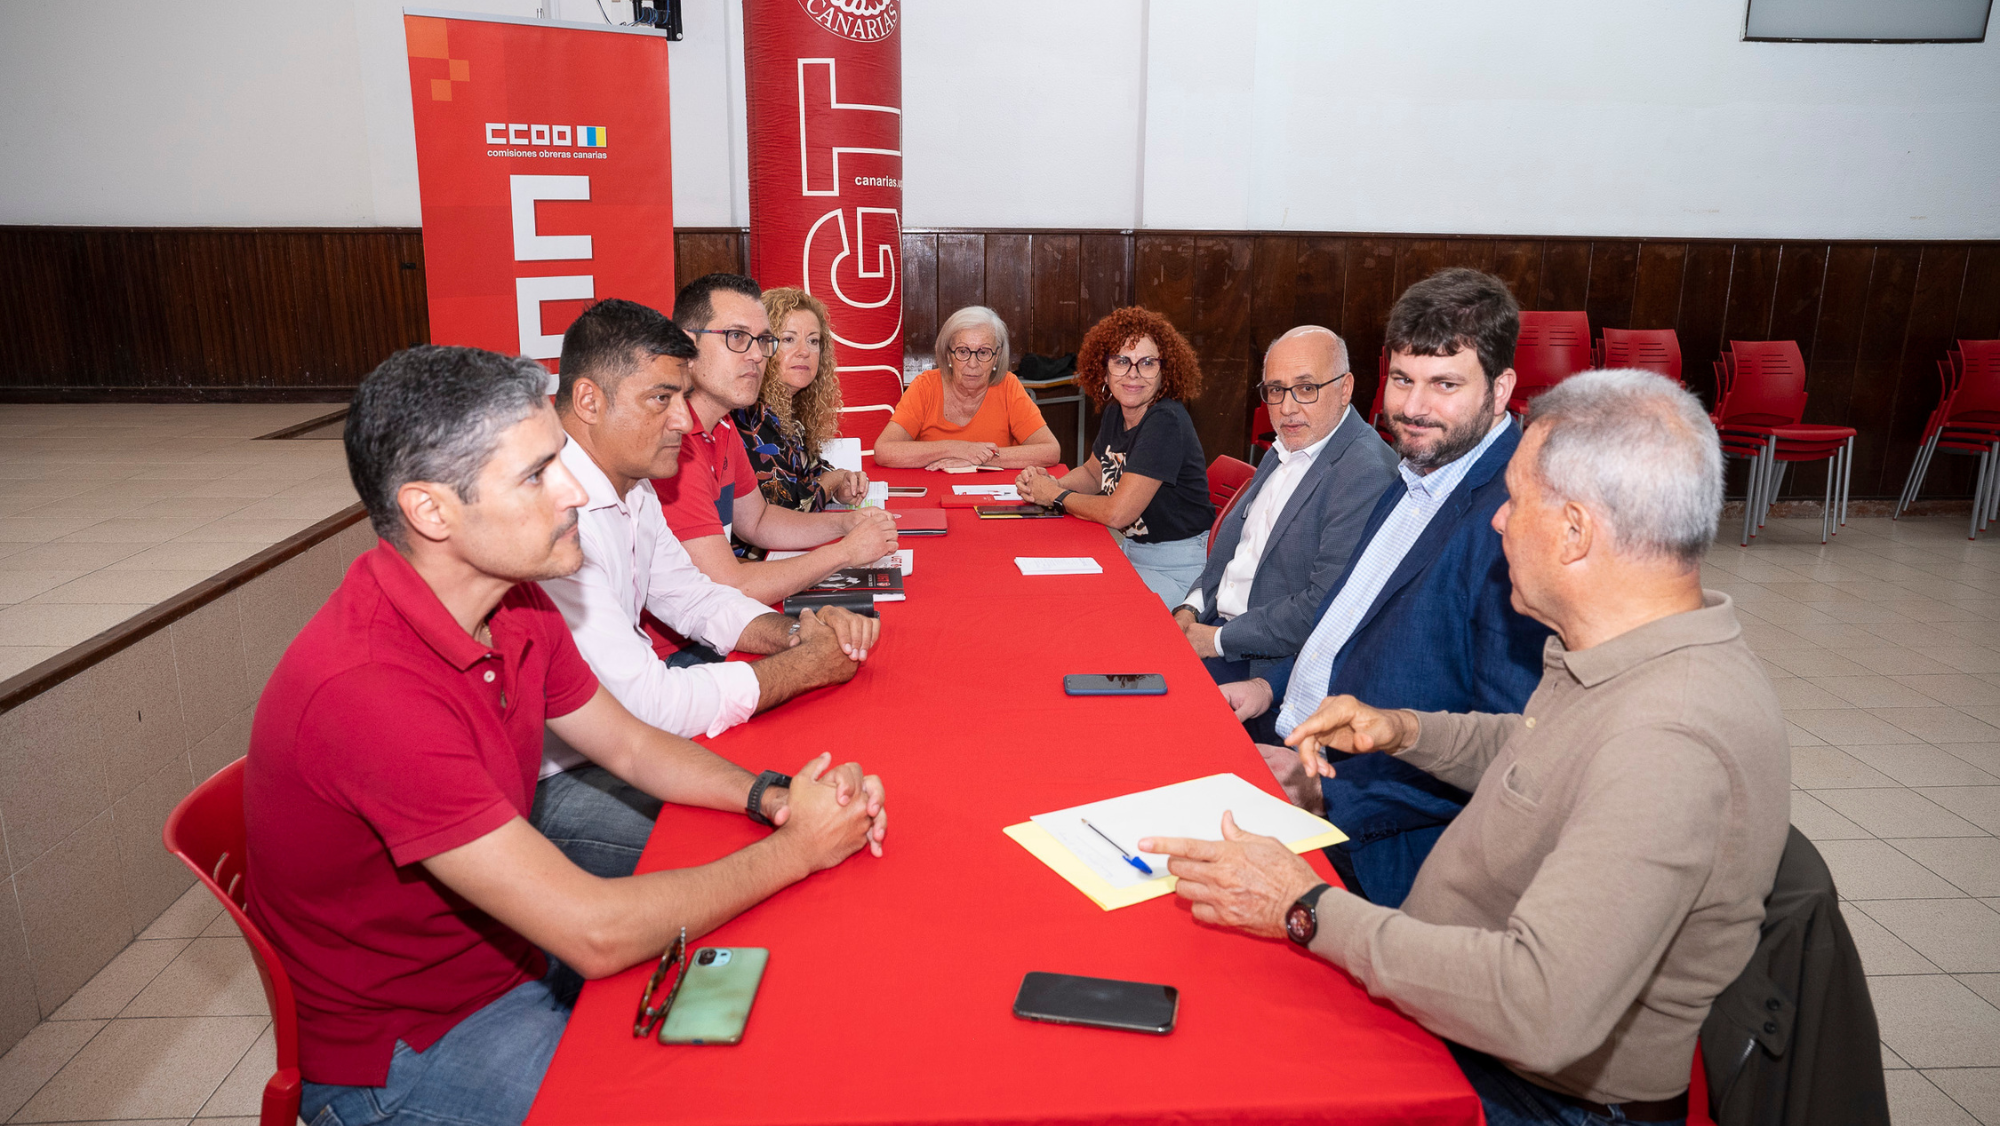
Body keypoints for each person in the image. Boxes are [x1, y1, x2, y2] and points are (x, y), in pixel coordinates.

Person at [246, 344, 887, 1126]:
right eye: (536, 474)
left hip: (509, 961)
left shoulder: (513, 601)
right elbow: (593, 932)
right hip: (413, 1048)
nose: (575, 491)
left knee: (786, 1008)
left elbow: (629, 745)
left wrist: (775, 796)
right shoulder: (369, 692)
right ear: (431, 511)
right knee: (724, 1097)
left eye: (560, 461)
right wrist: (797, 848)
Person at [1144, 369, 1788, 1126]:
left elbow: (1537, 1007)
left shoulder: (1670, 738)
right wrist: (1406, 729)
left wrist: (1301, 905)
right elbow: (1543, 748)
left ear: (1576, 532)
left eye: (1515, 501)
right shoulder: (1631, 649)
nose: (1496, 523)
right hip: (1452, 1008)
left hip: (1527, 1092)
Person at [1218, 268, 1551, 907]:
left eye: (1445, 384)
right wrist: (1269, 687)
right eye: (1403, 380)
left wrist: (1325, 795)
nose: (1414, 407)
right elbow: (1347, 628)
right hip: (1293, 745)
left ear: (1501, 388)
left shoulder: (1516, 518)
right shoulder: (1411, 475)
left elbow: (1510, 743)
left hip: (1382, 845)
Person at [536, 298, 885, 879]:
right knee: (770, 841)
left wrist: (798, 633)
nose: (680, 420)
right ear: (589, 401)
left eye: (679, 397)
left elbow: (694, 596)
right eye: (660, 400)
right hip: (554, 778)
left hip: (631, 744)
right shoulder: (552, 520)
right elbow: (647, 709)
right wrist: (805, 666)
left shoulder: (635, 483)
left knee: (807, 801)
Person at [1171, 327, 1399, 683]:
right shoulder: (1290, 443)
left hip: (1267, 668)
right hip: (1216, 628)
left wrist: (1216, 640)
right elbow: (1233, 554)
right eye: (1276, 390)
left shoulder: (1366, 473)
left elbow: (1324, 606)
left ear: (1345, 388)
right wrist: (1192, 607)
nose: (1287, 408)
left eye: (1306, 388)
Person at [657, 273, 899, 605]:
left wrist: (846, 522)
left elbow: (758, 520)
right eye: (737, 337)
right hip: (676, 648)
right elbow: (729, 587)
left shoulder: (723, 425)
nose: (757, 354)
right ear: (687, 344)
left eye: (762, 340)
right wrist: (844, 552)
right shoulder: (671, 441)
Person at [1016, 307, 1215, 607]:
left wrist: (1056, 495)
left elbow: (1118, 514)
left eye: (1147, 363)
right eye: (1121, 361)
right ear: (1104, 369)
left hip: (1179, 570)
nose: (1133, 374)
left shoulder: (1165, 421)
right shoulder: (1116, 411)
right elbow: (1094, 474)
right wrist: (1046, 485)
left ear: (1166, 371)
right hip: (1131, 553)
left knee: (1086, 608)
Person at [731, 287, 869, 552]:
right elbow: (790, 508)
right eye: (789, 339)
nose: (804, 351)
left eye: (813, 341)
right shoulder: (749, 414)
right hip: (750, 566)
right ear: (763, 346)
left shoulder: (789, 411)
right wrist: (833, 481)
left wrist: (841, 484)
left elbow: (813, 470)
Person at [873, 305, 1062, 470]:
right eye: (963, 351)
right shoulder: (925, 386)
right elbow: (885, 451)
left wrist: (980, 459)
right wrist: (957, 448)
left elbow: (1050, 451)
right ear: (948, 356)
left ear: (996, 357)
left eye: (983, 352)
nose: (973, 363)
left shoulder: (1008, 386)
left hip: (992, 494)